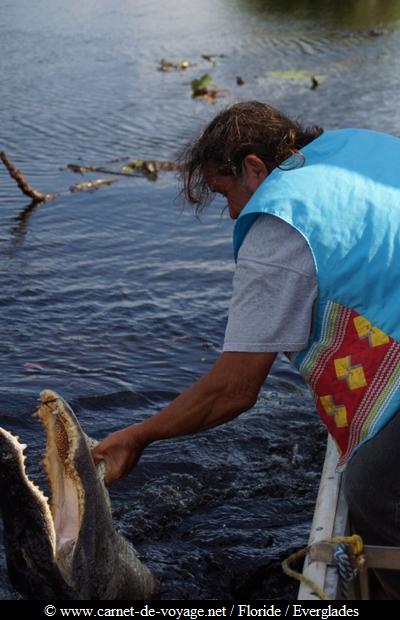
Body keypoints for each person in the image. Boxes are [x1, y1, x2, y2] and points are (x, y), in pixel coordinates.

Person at [93, 101, 400, 598]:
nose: (234, 212)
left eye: (226, 191)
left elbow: (233, 389)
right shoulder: (355, 145)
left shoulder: (279, 223)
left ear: (255, 167)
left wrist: (139, 436)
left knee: (375, 493)